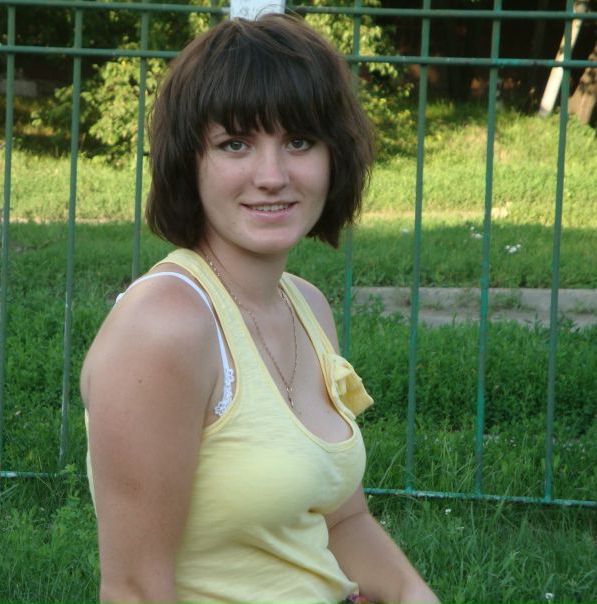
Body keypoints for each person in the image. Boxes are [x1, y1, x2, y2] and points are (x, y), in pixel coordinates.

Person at [80, 13, 440, 604]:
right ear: (188, 162)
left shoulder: (308, 306)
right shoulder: (166, 326)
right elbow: (134, 591)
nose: (272, 176)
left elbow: (342, 521)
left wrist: (412, 593)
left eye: (299, 141)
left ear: (334, 156)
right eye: (235, 144)